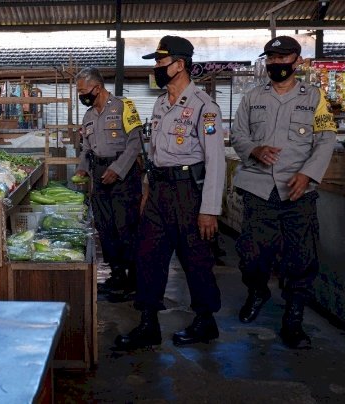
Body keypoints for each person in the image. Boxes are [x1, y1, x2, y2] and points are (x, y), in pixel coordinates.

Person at [114, 36, 225, 349]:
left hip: (188, 192)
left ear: (180, 65)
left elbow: (216, 162)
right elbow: (155, 153)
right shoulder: (161, 103)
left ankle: (206, 321)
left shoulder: (205, 107)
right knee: (148, 255)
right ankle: (148, 323)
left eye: (161, 63)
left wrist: (210, 209)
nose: (156, 68)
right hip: (159, 190)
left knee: (195, 258)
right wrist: (148, 189)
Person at [230, 36, 337, 349]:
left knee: (300, 258)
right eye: (272, 58)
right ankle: (258, 290)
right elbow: (238, 135)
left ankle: (293, 318)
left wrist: (307, 174)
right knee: (251, 255)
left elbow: (326, 137)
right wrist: (254, 149)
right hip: (258, 188)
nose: (277, 63)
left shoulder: (315, 97)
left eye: (284, 57)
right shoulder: (252, 97)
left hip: (297, 191)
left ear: (297, 61)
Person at [74, 67, 143, 297]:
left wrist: (117, 169)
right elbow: (86, 148)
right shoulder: (88, 116)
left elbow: (135, 144)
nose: (81, 96)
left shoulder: (125, 107)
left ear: (98, 88)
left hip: (123, 175)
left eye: (84, 91)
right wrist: (82, 169)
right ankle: (116, 276)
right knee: (105, 228)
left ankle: (134, 281)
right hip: (99, 174)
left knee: (126, 228)